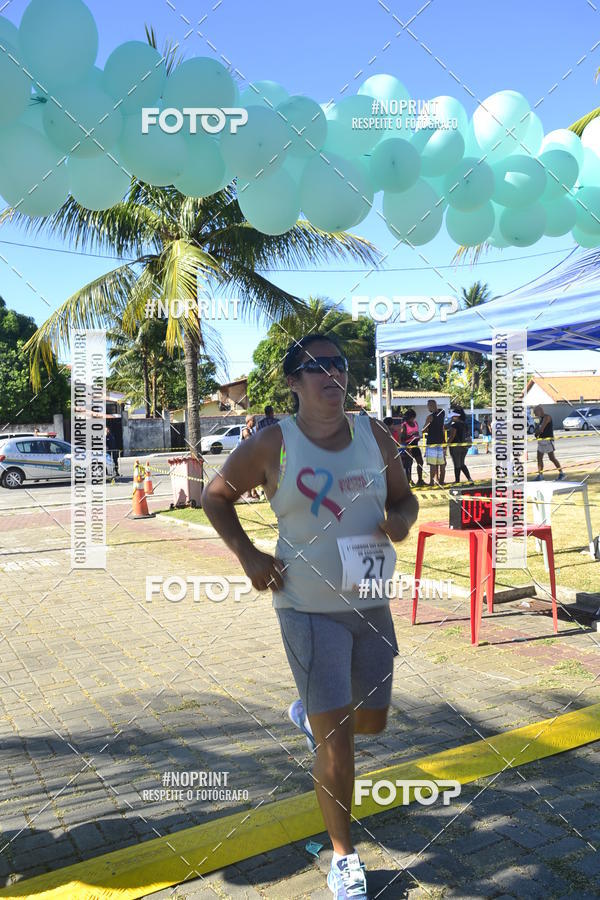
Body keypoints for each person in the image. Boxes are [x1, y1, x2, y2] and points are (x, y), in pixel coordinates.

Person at [201, 333, 418, 900]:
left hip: (369, 602)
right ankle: (343, 857)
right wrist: (248, 555)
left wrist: (400, 520)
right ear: (293, 382)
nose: (331, 374)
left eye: (339, 364)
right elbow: (214, 496)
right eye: (315, 366)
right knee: (338, 743)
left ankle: (305, 714)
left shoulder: (373, 434)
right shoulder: (274, 444)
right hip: (306, 608)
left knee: (371, 723)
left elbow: (406, 498)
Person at [533, 405, 565, 481]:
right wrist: (536, 431)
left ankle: (561, 473)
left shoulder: (547, 417)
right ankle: (540, 475)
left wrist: (536, 432)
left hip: (548, 440)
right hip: (541, 440)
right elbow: (537, 430)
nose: (535, 415)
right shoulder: (540, 419)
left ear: (540, 410)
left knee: (552, 458)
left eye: (535, 412)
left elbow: (541, 429)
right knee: (539, 458)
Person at [447, 406, 473, 485]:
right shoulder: (464, 424)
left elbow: (452, 436)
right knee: (462, 463)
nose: (451, 417)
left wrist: (446, 444)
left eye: (453, 416)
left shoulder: (454, 425)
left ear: (457, 416)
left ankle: (457, 481)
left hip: (456, 447)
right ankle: (469, 479)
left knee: (457, 464)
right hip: (465, 446)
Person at [423, 399, 446, 486]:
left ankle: (432, 482)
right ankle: (441, 481)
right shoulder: (442, 413)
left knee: (432, 464)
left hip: (432, 442)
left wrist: (427, 428)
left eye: (428, 406)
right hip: (440, 441)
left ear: (431, 406)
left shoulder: (430, 417)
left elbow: (424, 429)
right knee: (442, 463)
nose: (428, 407)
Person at [399, 408, 425, 487]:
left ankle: (420, 480)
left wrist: (417, 436)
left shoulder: (415, 423)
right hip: (408, 445)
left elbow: (417, 432)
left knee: (420, 462)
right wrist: (411, 435)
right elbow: (402, 438)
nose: (413, 419)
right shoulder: (404, 425)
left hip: (415, 444)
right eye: (411, 417)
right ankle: (409, 481)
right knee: (409, 464)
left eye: (413, 417)